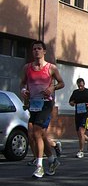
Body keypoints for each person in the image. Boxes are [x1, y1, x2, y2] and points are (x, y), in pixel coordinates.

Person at [20, 40, 65, 178]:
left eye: (39, 49)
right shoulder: (27, 67)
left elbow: (62, 83)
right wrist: (23, 90)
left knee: (37, 132)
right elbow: (22, 83)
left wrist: (52, 87)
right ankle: (52, 160)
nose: (36, 51)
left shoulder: (51, 68)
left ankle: (39, 166)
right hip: (33, 103)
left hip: (46, 103)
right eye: (34, 49)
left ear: (44, 51)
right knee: (36, 134)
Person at [69, 78, 88, 158]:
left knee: (81, 132)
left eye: (81, 86)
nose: (80, 87)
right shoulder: (75, 92)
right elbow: (71, 101)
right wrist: (72, 103)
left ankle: (81, 151)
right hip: (78, 114)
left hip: (87, 115)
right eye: (79, 86)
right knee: (79, 134)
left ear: (84, 84)